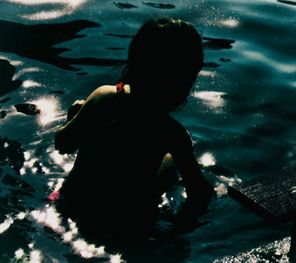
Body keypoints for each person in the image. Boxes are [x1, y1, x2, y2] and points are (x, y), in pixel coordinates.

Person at [54, 17, 214, 244]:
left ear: (134, 62)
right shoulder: (173, 134)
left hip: (73, 203)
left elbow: (62, 144)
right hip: (128, 221)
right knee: (170, 162)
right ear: (185, 82)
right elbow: (199, 193)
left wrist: (75, 117)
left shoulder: (104, 97)